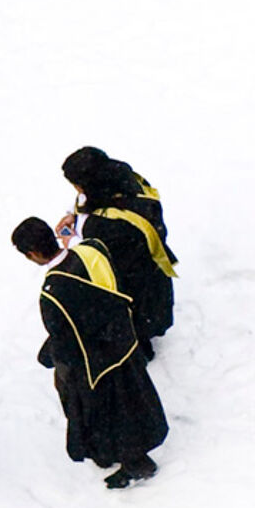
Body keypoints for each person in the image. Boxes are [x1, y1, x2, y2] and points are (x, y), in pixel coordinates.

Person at [11, 217, 169, 489]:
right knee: (133, 401)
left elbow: (66, 342)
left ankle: (131, 461)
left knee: (108, 413)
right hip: (123, 340)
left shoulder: (53, 293)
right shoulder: (93, 249)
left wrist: (51, 357)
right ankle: (131, 454)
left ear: (33, 254)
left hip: (97, 362)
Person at [55, 147, 177, 358]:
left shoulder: (111, 227)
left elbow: (97, 257)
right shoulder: (124, 180)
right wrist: (73, 215)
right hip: (149, 268)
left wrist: (72, 240)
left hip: (134, 282)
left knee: (133, 321)